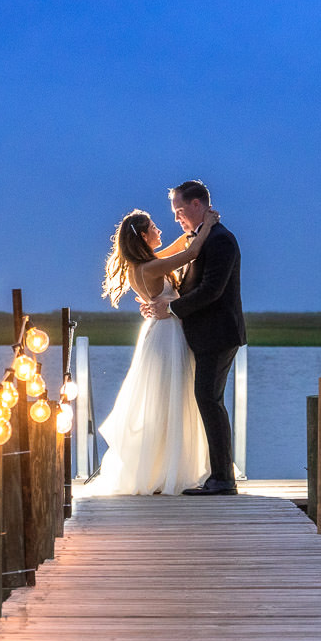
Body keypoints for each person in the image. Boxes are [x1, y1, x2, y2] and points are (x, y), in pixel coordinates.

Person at [84, 206, 220, 495]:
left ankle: (163, 466)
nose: (160, 230)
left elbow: (182, 244)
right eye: (155, 227)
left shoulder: (146, 264)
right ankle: (166, 468)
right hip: (168, 336)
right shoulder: (150, 267)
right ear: (145, 236)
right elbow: (190, 254)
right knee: (169, 398)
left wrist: (191, 229)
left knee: (165, 398)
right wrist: (207, 225)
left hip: (161, 333)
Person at [142, 180, 245, 496]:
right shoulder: (201, 238)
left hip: (218, 334)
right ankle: (217, 475)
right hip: (203, 335)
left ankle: (223, 479)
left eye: (179, 210)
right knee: (208, 400)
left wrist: (170, 308)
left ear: (197, 205)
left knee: (209, 400)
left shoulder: (221, 241)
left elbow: (212, 291)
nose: (176, 218)